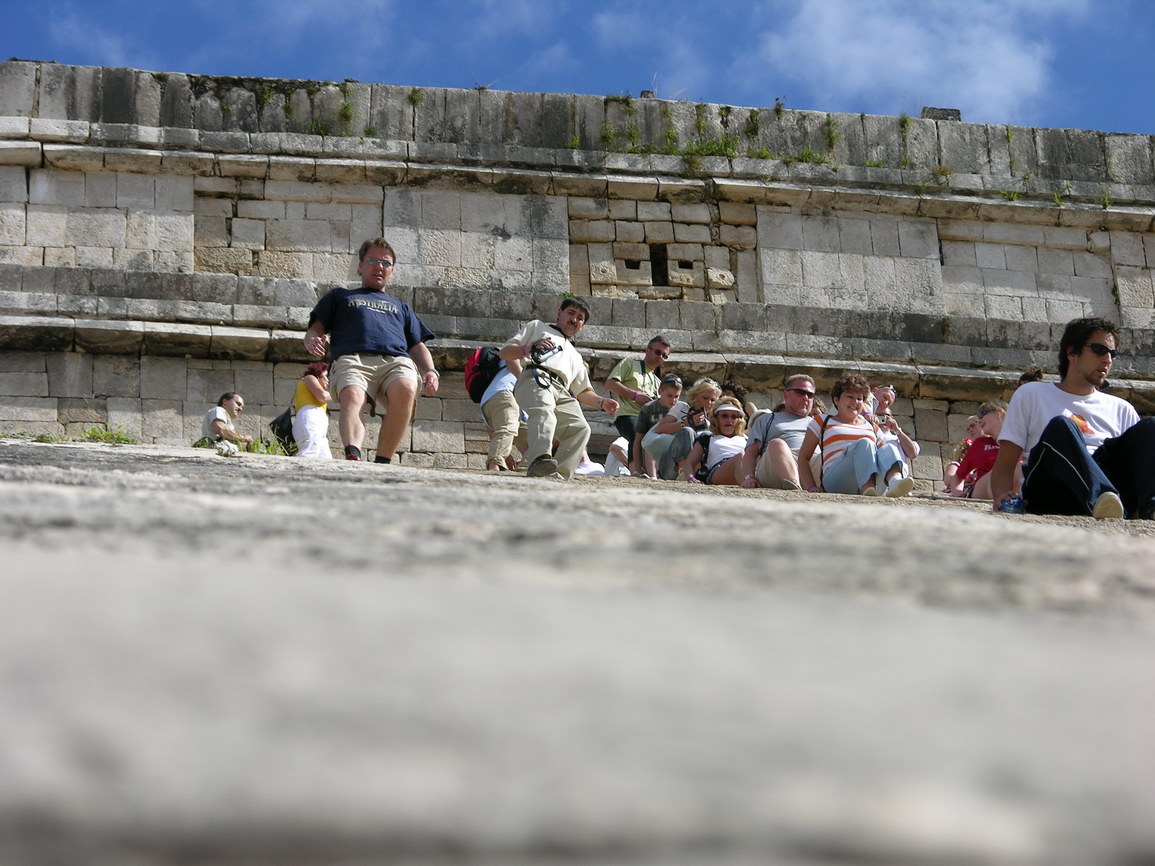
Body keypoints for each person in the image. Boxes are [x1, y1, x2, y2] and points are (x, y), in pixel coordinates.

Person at [990, 316, 1155, 519]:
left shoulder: (1122, 409)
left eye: (1112, 353)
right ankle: (1100, 497)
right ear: (1071, 352)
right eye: (1099, 350)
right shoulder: (1032, 394)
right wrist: (1003, 500)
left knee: (1151, 426)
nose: (1108, 360)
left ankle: (1149, 509)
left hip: (1115, 496)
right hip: (1054, 490)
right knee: (1061, 426)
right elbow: (1004, 465)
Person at [303, 238, 440, 464]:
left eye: (386, 263)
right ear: (360, 265)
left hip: (396, 360)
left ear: (392, 271)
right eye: (373, 260)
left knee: (407, 388)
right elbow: (314, 330)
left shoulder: (401, 307)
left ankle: (383, 461)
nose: (379, 267)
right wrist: (311, 341)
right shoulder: (340, 297)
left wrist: (431, 371)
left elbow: (417, 345)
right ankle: (353, 453)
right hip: (352, 357)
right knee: (353, 395)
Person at [498, 298, 619, 480]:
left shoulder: (576, 356)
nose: (574, 319)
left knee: (580, 428)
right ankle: (540, 460)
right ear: (559, 313)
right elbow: (505, 352)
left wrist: (602, 402)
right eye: (571, 313)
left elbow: (583, 391)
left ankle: (557, 475)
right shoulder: (537, 327)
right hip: (536, 378)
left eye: (580, 318)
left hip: (562, 390)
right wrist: (528, 349)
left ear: (582, 326)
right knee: (544, 411)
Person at [798, 373, 914, 498]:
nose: (855, 402)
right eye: (849, 397)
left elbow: (885, 455)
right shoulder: (823, 421)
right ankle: (867, 488)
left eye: (859, 398)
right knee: (865, 443)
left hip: (876, 484)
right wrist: (811, 486)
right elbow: (803, 457)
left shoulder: (872, 426)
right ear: (836, 400)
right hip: (837, 481)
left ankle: (895, 481)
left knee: (888, 448)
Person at [738, 374, 818, 490]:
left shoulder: (817, 423)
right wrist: (749, 477)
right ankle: (795, 488)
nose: (805, 397)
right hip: (776, 465)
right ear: (786, 395)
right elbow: (751, 452)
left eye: (810, 395)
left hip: (810, 465)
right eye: (800, 392)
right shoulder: (767, 419)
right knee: (777, 444)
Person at [604, 336, 670, 471]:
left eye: (664, 355)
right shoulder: (629, 363)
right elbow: (610, 383)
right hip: (627, 414)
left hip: (649, 420)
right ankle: (635, 471)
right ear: (647, 350)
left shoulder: (658, 382)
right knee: (637, 434)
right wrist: (635, 395)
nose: (661, 357)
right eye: (658, 352)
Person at [648, 377, 723, 480]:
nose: (709, 403)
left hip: (697, 469)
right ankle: (683, 471)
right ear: (695, 396)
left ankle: (694, 474)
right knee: (687, 431)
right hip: (670, 466)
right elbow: (660, 429)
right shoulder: (682, 408)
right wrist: (685, 424)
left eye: (713, 400)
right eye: (705, 398)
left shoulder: (714, 422)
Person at [679, 398, 748, 485]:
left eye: (734, 416)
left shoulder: (746, 439)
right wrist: (690, 478)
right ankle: (749, 484)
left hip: (744, 467)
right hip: (718, 470)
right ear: (716, 419)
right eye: (724, 416)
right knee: (741, 457)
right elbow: (689, 463)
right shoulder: (707, 438)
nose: (729, 420)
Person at [946, 400, 1006, 499]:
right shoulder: (980, 444)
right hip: (985, 489)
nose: (981, 420)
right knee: (997, 473)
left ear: (999, 413)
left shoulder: (1019, 442)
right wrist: (957, 492)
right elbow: (958, 476)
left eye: (983, 414)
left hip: (1010, 487)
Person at [869, 384, 920, 488]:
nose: (885, 403)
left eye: (886, 417)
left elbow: (913, 453)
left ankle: (896, 481)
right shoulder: (865, 429)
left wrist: (897, 431)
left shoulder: (897, 439)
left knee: (890, 448)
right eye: (879, 416)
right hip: (875, 479)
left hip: (895, 485)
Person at [480, 356, 525, 472]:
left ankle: (528, 464)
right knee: (507, 427)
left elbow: (494, 432)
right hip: (505, 393)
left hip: (489, 402)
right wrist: (525, 382)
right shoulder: (527, 350)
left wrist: (507, 453)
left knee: (537, 437)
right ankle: (494, 465)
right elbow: (512, 359)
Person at [633, 376, 683, 478]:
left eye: (676, 396)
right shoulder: (647, 410)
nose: (673, 400)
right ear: (660, 392)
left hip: (673, 451)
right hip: (652, 452)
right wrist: (636, 470)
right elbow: (638, 440)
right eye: (669, 396)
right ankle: (653, 477)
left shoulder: (681, 408)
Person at [292, 362, 332, 459]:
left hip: (318, 420)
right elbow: (322, 396)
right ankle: (295, 472)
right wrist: (338, 393)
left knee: (325, 457)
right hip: (310, 415)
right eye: (326, 376)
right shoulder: (309, 377)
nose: (328, 380)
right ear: (318, 374)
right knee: (310, 450)